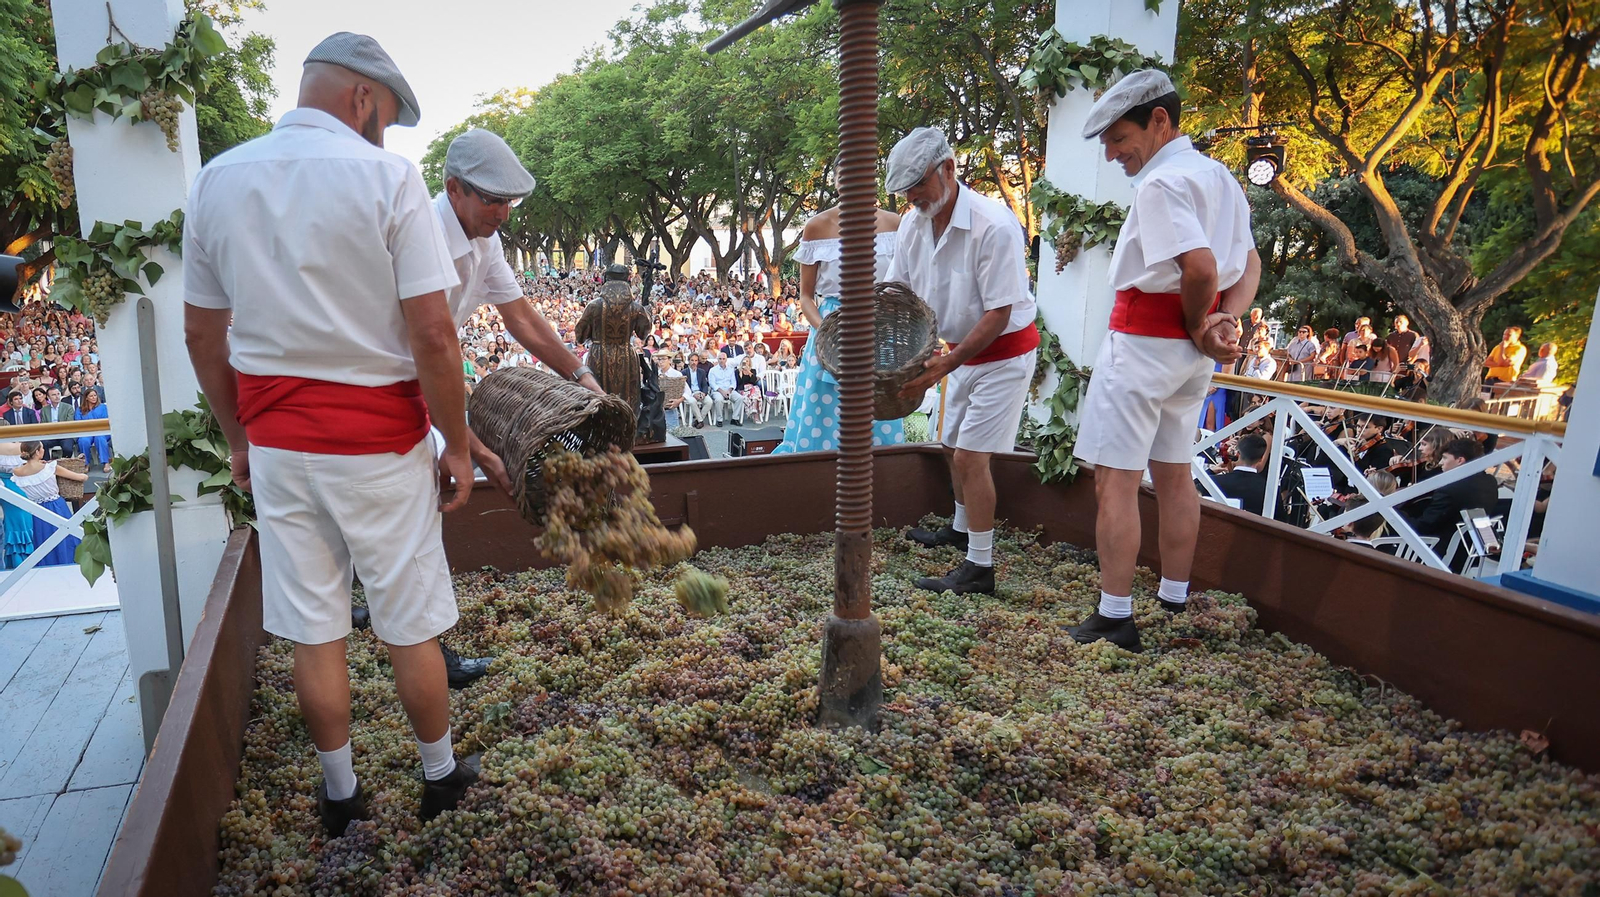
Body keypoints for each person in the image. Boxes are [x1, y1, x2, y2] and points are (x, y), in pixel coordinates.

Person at [182, 33, 478, 837]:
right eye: (382, 115)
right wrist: (455, 441)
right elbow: (435, 335)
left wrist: (239, 437)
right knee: (408, 621)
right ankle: (439, 775)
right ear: (359, 98)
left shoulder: (216, 179)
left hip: (279, 446)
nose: (381, 133)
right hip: (379, 443)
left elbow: (204, 338)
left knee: (314, 626)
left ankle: (340, 793)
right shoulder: (388, 178)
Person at [1066, 70, 1261, 651]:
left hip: (1147, 343)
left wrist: (1203, 322)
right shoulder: (1220, 175)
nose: (1112, 152)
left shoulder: (1162, 184)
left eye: (1118, 137)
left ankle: (1116, 614)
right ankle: (1174, 596)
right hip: (1189, 353)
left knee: (1116, 480)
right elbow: (1246, 265)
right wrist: (1226, 319)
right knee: (1176, 474)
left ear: (1159, 120)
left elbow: (1200, 268)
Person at [885, 127, 1038, 596]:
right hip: (958, 354)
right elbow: (898, 292)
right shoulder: (912, 223)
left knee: (971, 458)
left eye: (918, 184)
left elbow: (999, 313)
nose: (912, 197)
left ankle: (981, 567)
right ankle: (959, 527)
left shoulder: (994, 225)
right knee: (951, 447)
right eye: (905, 189)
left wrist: (944, 367)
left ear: (949, 169)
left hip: (1006, 354)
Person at [773, 199, 906, 454]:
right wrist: (827, 333)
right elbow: (805, 297)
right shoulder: (817, 226)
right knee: (823, 412)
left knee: (878, 409)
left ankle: (884, 481)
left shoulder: (895, 223)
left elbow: (905, 282)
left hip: (881, 326)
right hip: (830, 328)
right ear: (836, 179)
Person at [12, 441, 86, 566]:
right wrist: (84, 474)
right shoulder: (50, 467)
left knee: (42, 541)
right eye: (41, 448)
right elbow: (80, 477)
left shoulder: (17, 472)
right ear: (37, 452)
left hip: (35, 511)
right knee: (66, 538)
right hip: (56, 507)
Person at [1414, 438, 1500, 543]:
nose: (1441, 463)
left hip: (1440, 548)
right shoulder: (1490, 481)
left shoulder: (1449, 490)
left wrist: (1400, 515)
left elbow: (1424, 526)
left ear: (1460, 460)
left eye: (1445, 458)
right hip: (1471, 545)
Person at [1212, 433, 1268, 515]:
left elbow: (1191, 486)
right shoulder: (1269, 489)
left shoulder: (1214, 482)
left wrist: (1211, 471)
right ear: (1261, 459)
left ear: (1237, 454)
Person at [75, 389, 111, 469]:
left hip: (102, 431)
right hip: (86, 432)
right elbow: (78, 423)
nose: (94, 397)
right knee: (83, 440)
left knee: (100, 438)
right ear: (86, 398)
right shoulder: (80, 409)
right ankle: (86, 463)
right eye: (91, 396)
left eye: (95, 395)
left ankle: (106, 462)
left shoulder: (103, 407)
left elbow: (105, 421)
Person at [38, 386, 75, 458]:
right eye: (54, 395)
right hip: (51, 435)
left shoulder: (68, 407)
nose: (57, 396)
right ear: (48, 397)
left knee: (67, 448)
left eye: (58, 394)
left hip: (65, 435)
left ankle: (64, 464)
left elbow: (69, 423)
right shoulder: (44, 410)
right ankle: (47, 464)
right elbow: (43, 425)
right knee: (42, 444)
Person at [707, 351, 740, 425]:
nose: (722, 360)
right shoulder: (713, 370)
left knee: (739, 398)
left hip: (729, 390)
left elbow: (733, 382)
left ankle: (735, 418)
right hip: (718, 391)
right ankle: (719, 419)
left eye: (723, 359)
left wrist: (729, 390)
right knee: (719, 400)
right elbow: (712, 384)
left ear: (726, 360)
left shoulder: (731, 369)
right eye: (720, 359)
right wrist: (722, 392)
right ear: (717, 360)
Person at [735, 355, 764, 424]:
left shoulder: (752, 370)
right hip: (742, 389)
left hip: (751, 389)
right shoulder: (737, 371)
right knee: (754, 393)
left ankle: (754, 410)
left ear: (749, 363)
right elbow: (738, 383)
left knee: (755, 390)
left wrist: (749, 373)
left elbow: (754, 381)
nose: (745, 363)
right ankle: (756, 416)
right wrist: (741, 373)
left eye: (747, 361)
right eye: (744, 361)